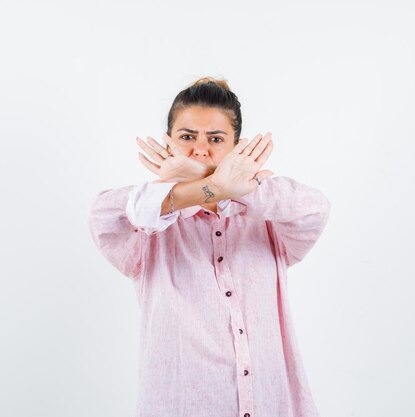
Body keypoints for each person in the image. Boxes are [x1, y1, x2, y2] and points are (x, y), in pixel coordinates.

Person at [87, 77, 331, 417]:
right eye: (187, 137)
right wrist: (213, 184)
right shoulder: (148, 227)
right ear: (169, 142)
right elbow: (104, 214)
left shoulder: (266, 217)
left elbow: (314, 208)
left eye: (216, 139)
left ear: (237, 148)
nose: (200, 149)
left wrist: (215, 180)